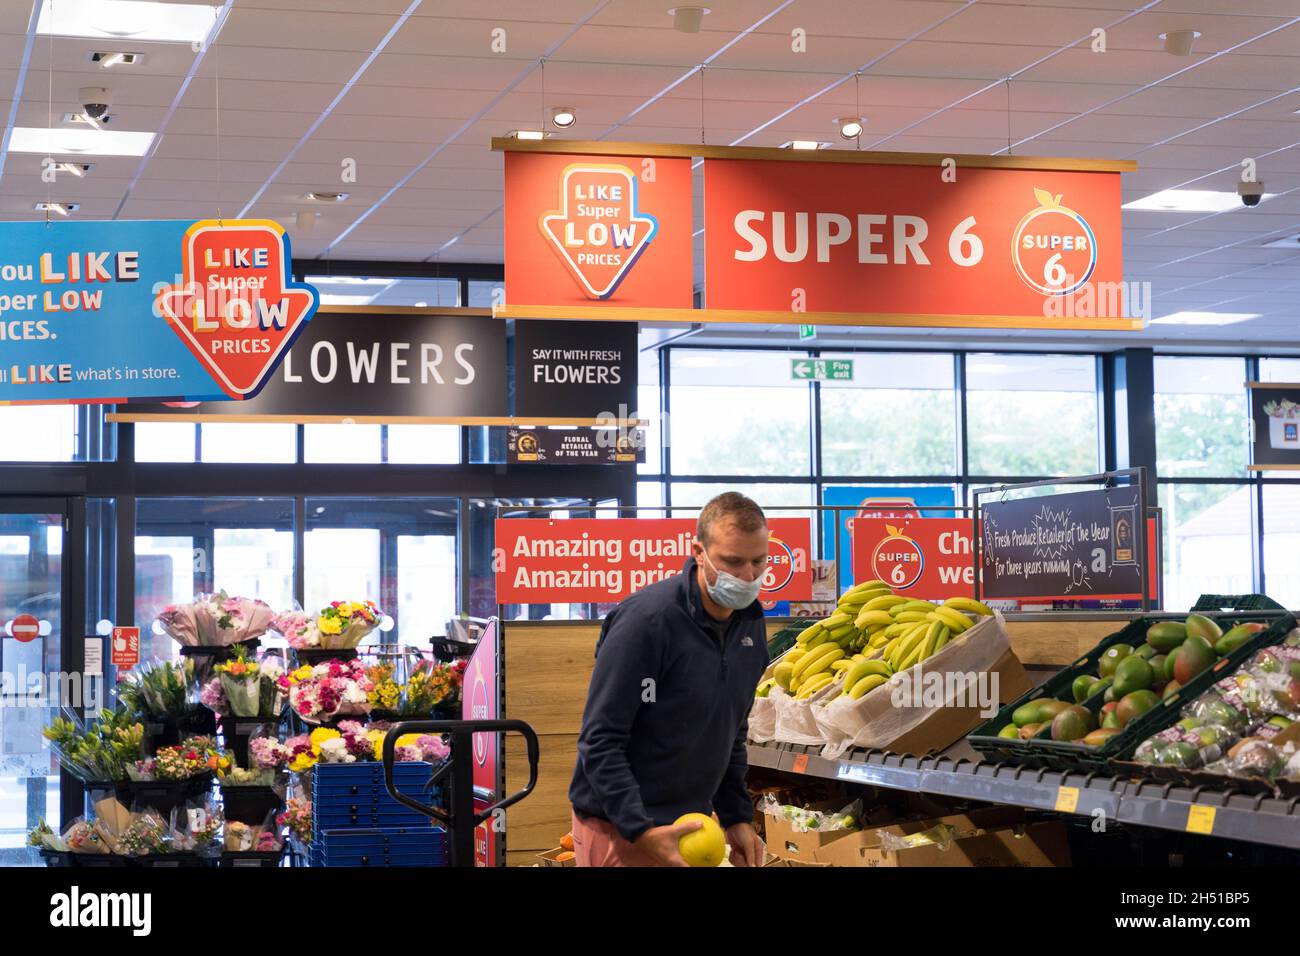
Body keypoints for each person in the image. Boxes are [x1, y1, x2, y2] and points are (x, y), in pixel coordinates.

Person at [568, 492, 771, 866]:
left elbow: (730, 734)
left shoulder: (751, 626)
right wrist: (640, 830)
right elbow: (600, 740)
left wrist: (736, 816)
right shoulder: (647, 623)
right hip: (620, 826)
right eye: (732, 561)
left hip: (689, 827)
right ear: (699, 551)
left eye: (759, 562)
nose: (747, 576)